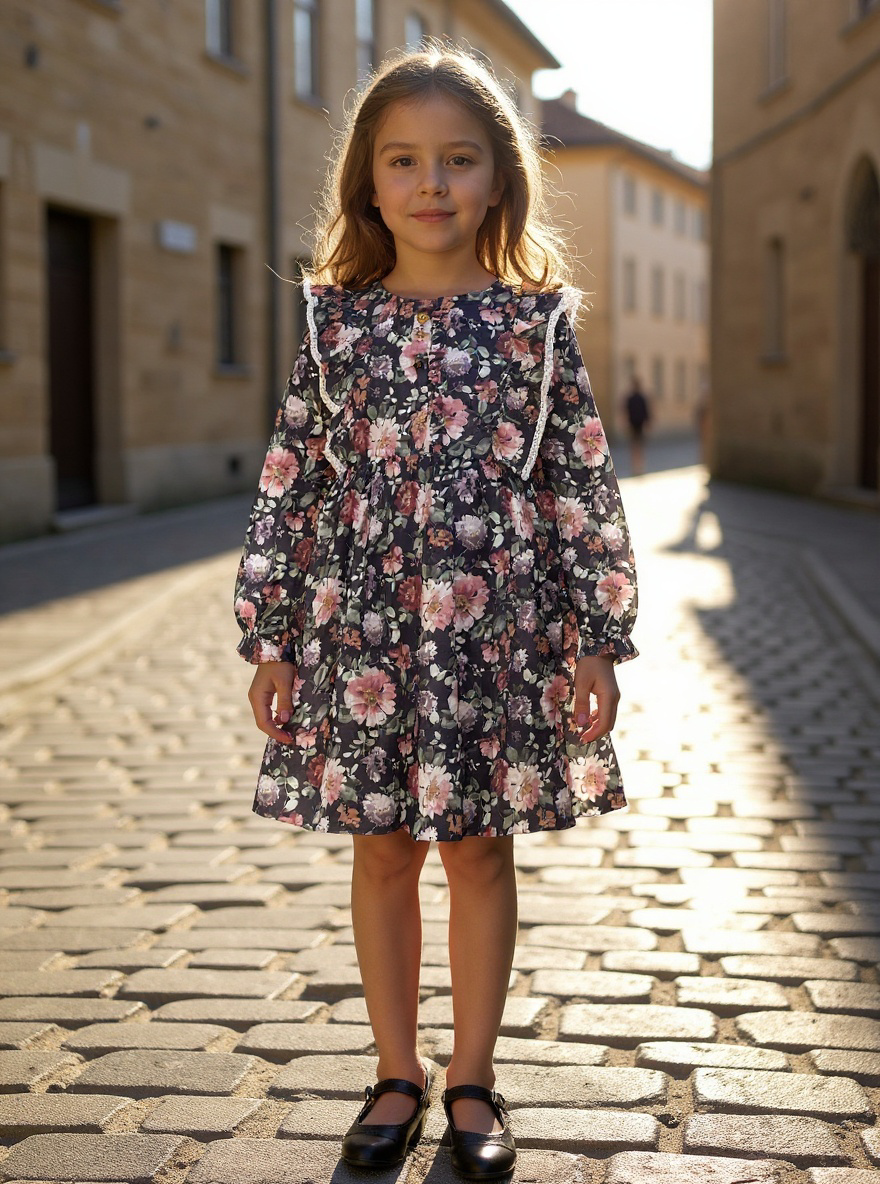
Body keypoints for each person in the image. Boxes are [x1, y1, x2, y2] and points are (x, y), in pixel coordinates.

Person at [233, 44, 638, 1180]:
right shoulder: (334, 324)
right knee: (380, 846)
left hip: (497, 626)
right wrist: (269, 631)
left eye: (459, 160)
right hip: (361, 627)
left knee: (474, 845)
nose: (431, 184)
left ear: (500, 179)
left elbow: (580, 478)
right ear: (367, 182)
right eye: (404, 161)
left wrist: (599, 634)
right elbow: (292, 477)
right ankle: (394, 1068)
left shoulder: (535, 325)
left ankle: (470, 1073)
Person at [624, 375, 651, 476]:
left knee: (636, 445)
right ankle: (638, 466)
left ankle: (637, 466)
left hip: (636, 423)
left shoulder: (634, 398)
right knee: (637, 445)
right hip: (636, 423)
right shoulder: (638, 398)